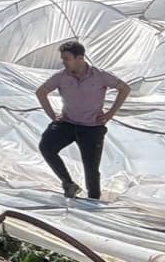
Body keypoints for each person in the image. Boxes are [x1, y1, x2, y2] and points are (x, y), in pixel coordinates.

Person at [35, 40, 130, 200]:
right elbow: (41, 92)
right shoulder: (61, 76)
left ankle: (93, 201)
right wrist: (53, 116)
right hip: (68, 122)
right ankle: (68, 183)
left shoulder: (99, 76)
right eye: (63, 59)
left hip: (91, 127)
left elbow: (124, 88)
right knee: (47, 147)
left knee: (91, 168)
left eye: (67, 58)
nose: (64, 62)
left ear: (80, 58)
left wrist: (110, 113)